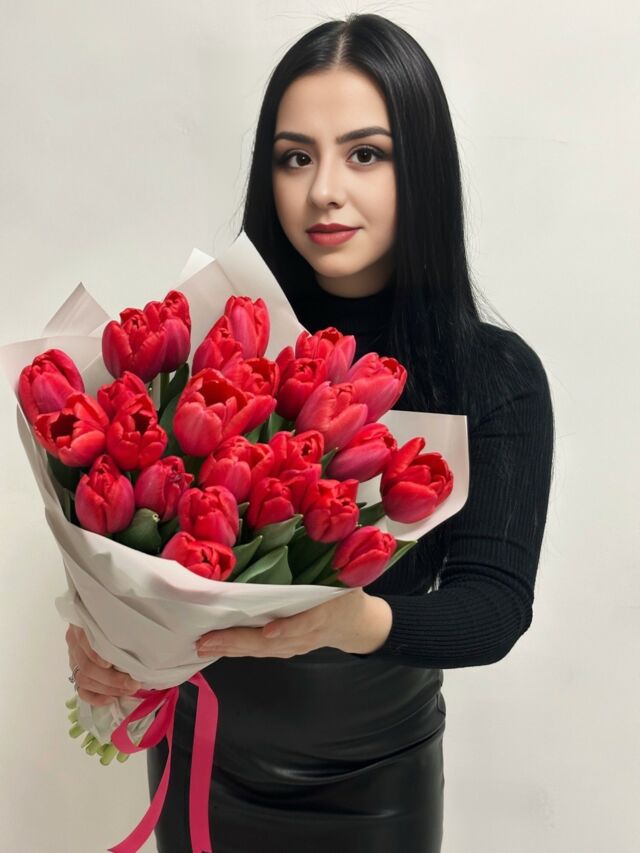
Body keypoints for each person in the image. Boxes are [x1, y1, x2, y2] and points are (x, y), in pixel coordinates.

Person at [65, 12, 555, 853]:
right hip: (202, 763)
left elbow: (495, 607)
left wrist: (349, 621)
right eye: (296, 157)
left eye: (365, 154)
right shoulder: (217, 347)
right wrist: (104, 642)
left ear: (423, 167)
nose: (323, 189)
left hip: (376, 784)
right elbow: (130, 538)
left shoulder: (492, 374)